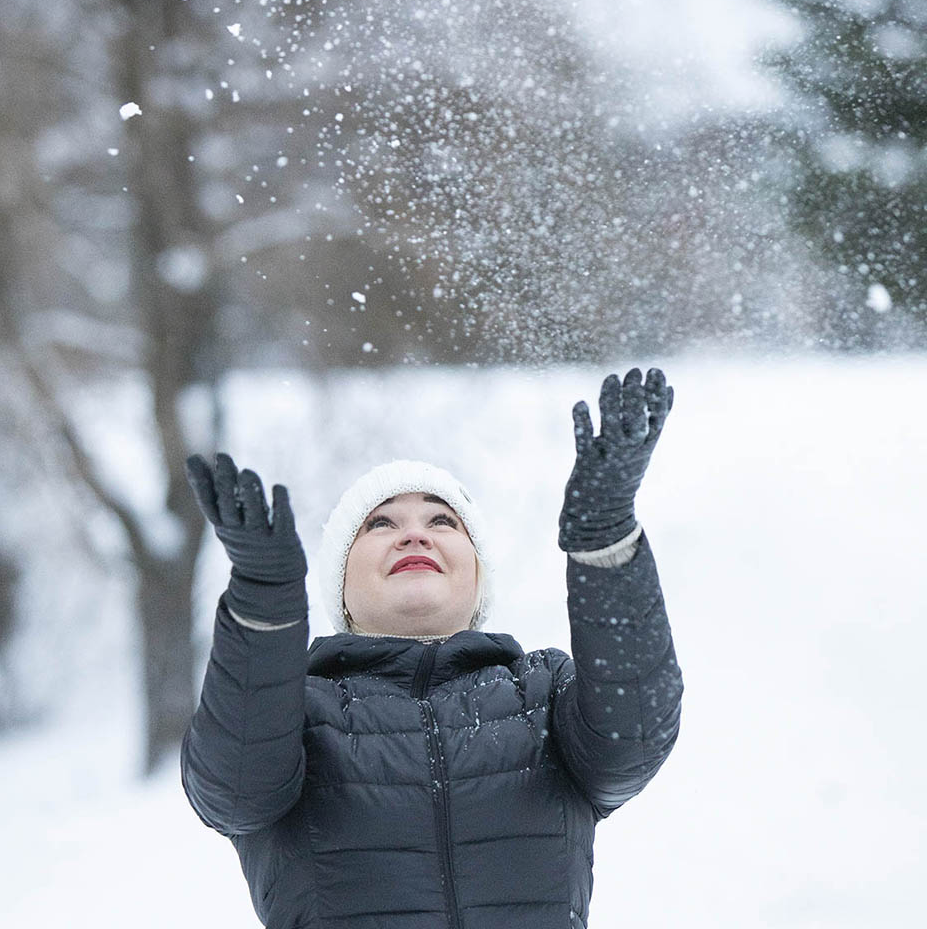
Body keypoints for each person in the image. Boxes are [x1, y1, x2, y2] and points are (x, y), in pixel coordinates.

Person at [181, 368, 683, 929]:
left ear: (477, 576)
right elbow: (231, 791)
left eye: (442, 520)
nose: (414, 534)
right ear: (341, 585)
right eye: (380, 524)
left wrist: (605, 540)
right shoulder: (295, 711)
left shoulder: (543, 693)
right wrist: (263, 605)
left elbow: (634, 739)